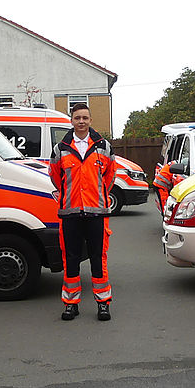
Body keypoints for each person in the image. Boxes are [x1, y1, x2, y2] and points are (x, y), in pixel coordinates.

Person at [49, 102, 117, 321]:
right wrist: (70, 196)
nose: (81, 122)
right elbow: (55, 177)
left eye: (84, 118)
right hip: (70, 213)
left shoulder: (103, 147)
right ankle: (71, 303)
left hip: (96, 212)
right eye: (77, 118)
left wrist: (97, 196)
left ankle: (103, 303)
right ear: (71, 120)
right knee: (71, 259)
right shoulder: (61, 148)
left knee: (98, 258)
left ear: (90, 120)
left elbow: (110, 176)